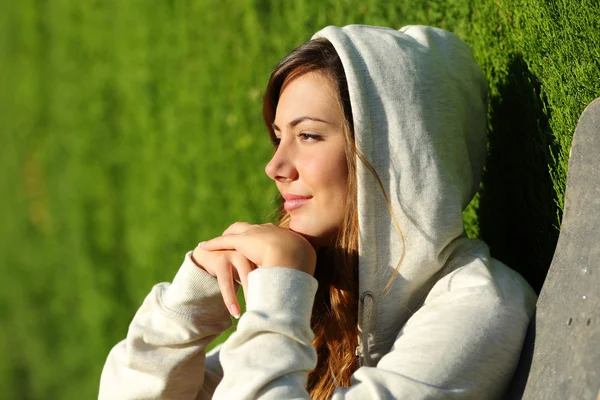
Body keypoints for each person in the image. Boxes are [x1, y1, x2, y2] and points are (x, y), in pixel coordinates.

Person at [99, 24, 536, 399]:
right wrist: (189, 303)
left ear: (392, 153)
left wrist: (277, 298)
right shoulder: (324, 305)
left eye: (307, 136)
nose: (274, 167)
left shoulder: (478, 307)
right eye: (278, 138)